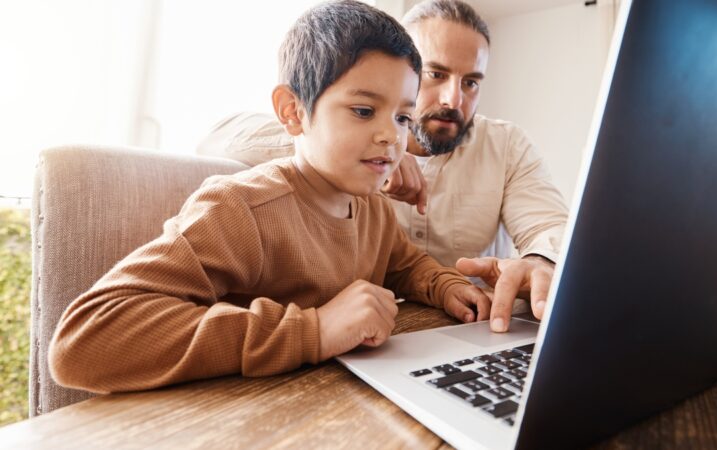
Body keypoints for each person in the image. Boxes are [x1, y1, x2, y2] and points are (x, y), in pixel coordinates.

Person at [48, 0, 490, 394]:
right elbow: (83, 341)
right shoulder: (239, 208)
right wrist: (312, 332)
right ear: (293, 112)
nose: (390, 137)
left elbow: (405, 264)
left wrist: (446, 286)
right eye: (363, 110)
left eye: (402, 117)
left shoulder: (372, 206)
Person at [198, 0, 569, 332]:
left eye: (471, 82)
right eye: (436, 74)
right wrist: (364, 147)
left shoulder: (505, 145)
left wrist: (539, 262)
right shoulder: (246, 203)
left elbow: (547, 226)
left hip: (434, 332)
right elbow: (216, 135)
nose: (454, 99)